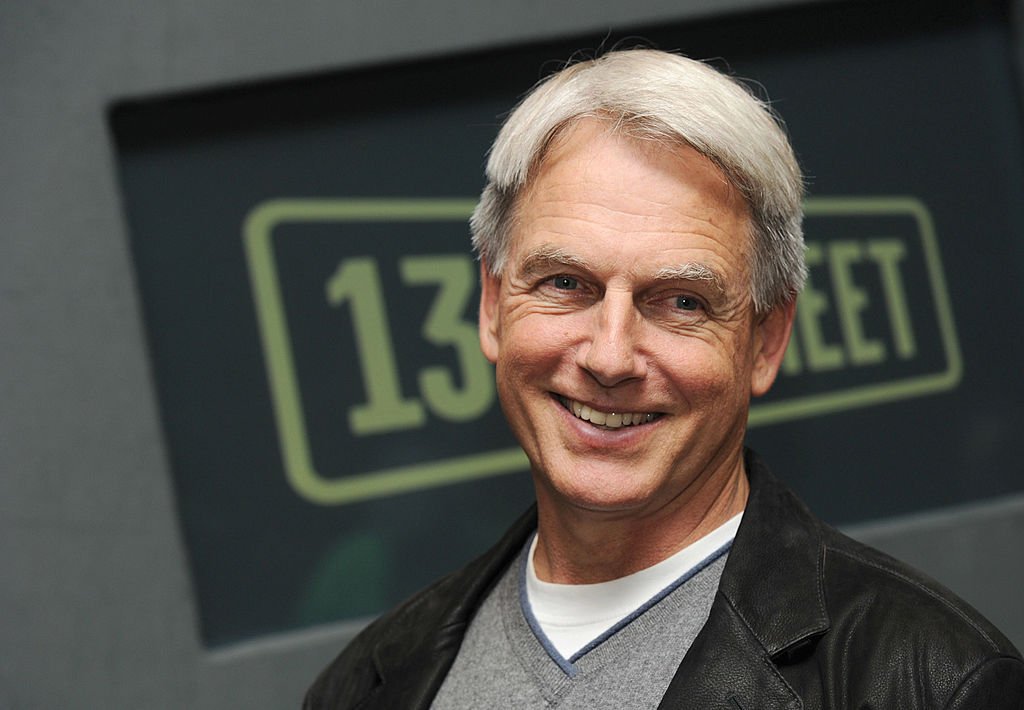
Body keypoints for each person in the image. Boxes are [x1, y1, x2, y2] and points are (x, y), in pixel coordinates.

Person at [304, 49, 1024, 709]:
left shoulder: (929, 683)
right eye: (565, 282)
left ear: (766, 340)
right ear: (492, 305)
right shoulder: (369, 685)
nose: (610, 357)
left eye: (681, 301)